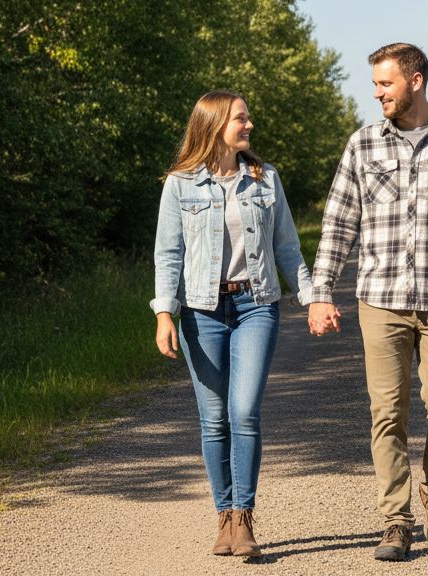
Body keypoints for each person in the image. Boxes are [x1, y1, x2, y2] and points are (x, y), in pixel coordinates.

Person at [308, 43, 428, 561]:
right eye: (375, 84)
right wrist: (321, 291)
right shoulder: (363, 144)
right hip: (381, 299)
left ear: (415, 81)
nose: (377, 93)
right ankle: (396, 520)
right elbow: (339, 222)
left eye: (385, 84)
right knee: (387, 413)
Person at [152, 90, 313, 558]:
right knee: (213, 419)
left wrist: (311, 295)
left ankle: (243, 516)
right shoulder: (180, 184)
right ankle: (223, 515)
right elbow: (168, 254)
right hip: (200, 313)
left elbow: (287, 247)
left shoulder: (265, 180)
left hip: (255, 305)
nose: (250, 125)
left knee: (243, 412)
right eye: (241, 118)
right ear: (215, 124)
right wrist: (165, 314)